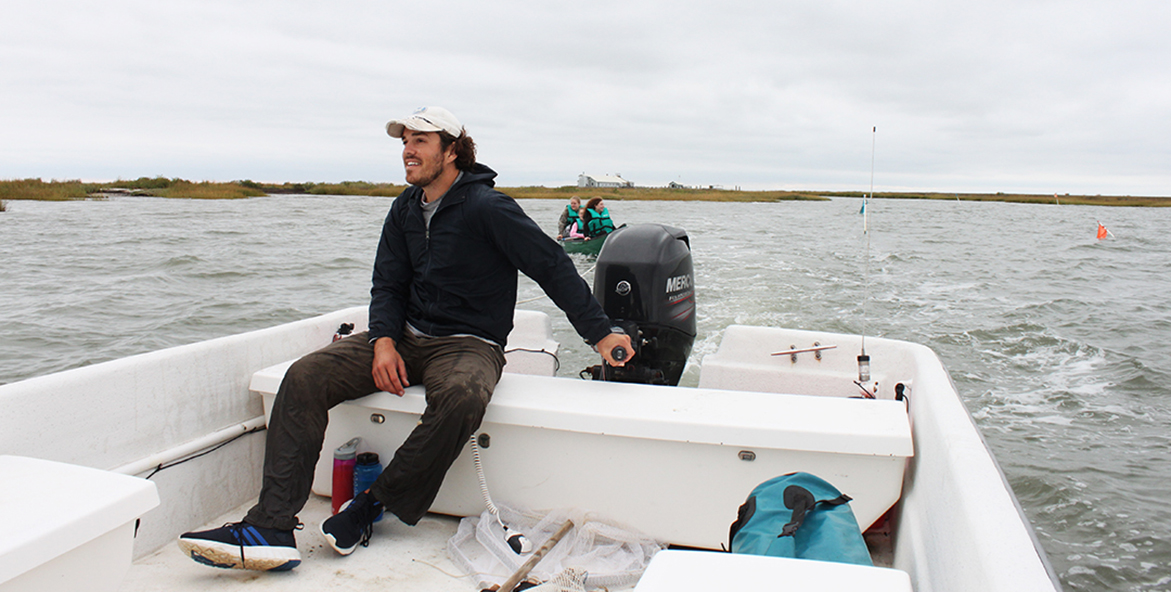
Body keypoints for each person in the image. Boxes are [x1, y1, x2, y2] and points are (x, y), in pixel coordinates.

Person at [177, 106, 633, 572]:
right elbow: (388, 284)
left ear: (452, 150)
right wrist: (383, 342)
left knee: (461, 397)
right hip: (406, 336)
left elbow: (551, 266)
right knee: (307, 374)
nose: (408, 151)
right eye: (404, 142)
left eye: (420, 141)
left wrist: (599, 333)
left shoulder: (488, 208)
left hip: (469, 343)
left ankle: (370, 506)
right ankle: (270, 526)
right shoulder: (404, 209)